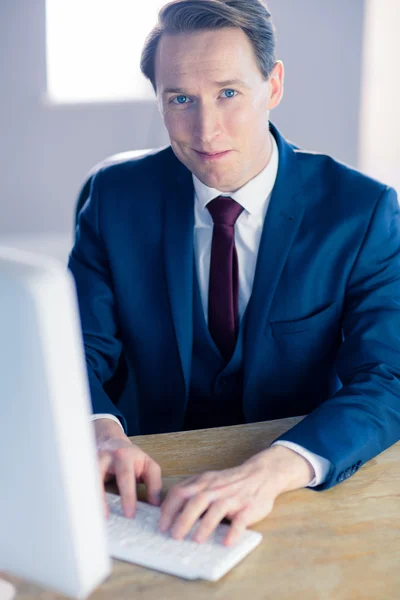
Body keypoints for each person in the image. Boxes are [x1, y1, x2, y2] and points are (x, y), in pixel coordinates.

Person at [69, 0, 400, 546]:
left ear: (273, 86)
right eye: (181, 100)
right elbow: (74, 349)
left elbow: (388, 376)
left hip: (289, 487)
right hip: (144, 484)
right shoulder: (113, 199)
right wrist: (98, 431)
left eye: (228, 93)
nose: (206, 129)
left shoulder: (361, 211)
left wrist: (273, 471)